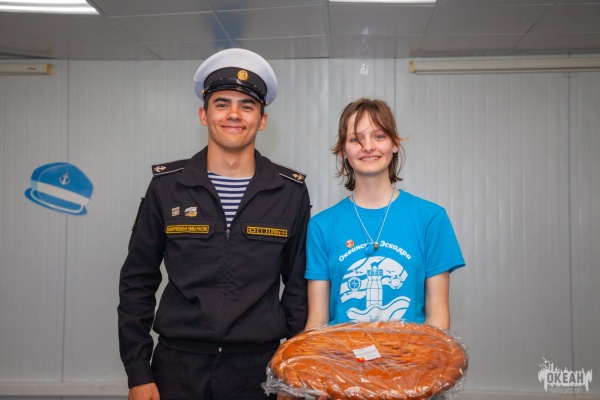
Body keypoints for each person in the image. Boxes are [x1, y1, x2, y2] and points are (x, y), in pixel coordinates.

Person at [117, 48, 311, 400]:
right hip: (177, 367)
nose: (234, 114)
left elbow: (298, 290)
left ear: (262, 120)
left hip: (258, 370)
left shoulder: (289, 192)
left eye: (247, 106)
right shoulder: (167, 187)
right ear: (203, 115)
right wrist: (137, 371)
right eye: (222, 104)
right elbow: (137, 282)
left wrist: (293, 375)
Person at [305, 98, 464, 332]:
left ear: (395, 144)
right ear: (342, 151)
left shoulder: (431, 219)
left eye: (379, 136)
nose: (368, 147)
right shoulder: (321, 226)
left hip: (412, 356)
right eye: (356, 139)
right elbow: (317, 323)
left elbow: (438, 317)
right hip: (342, 356)